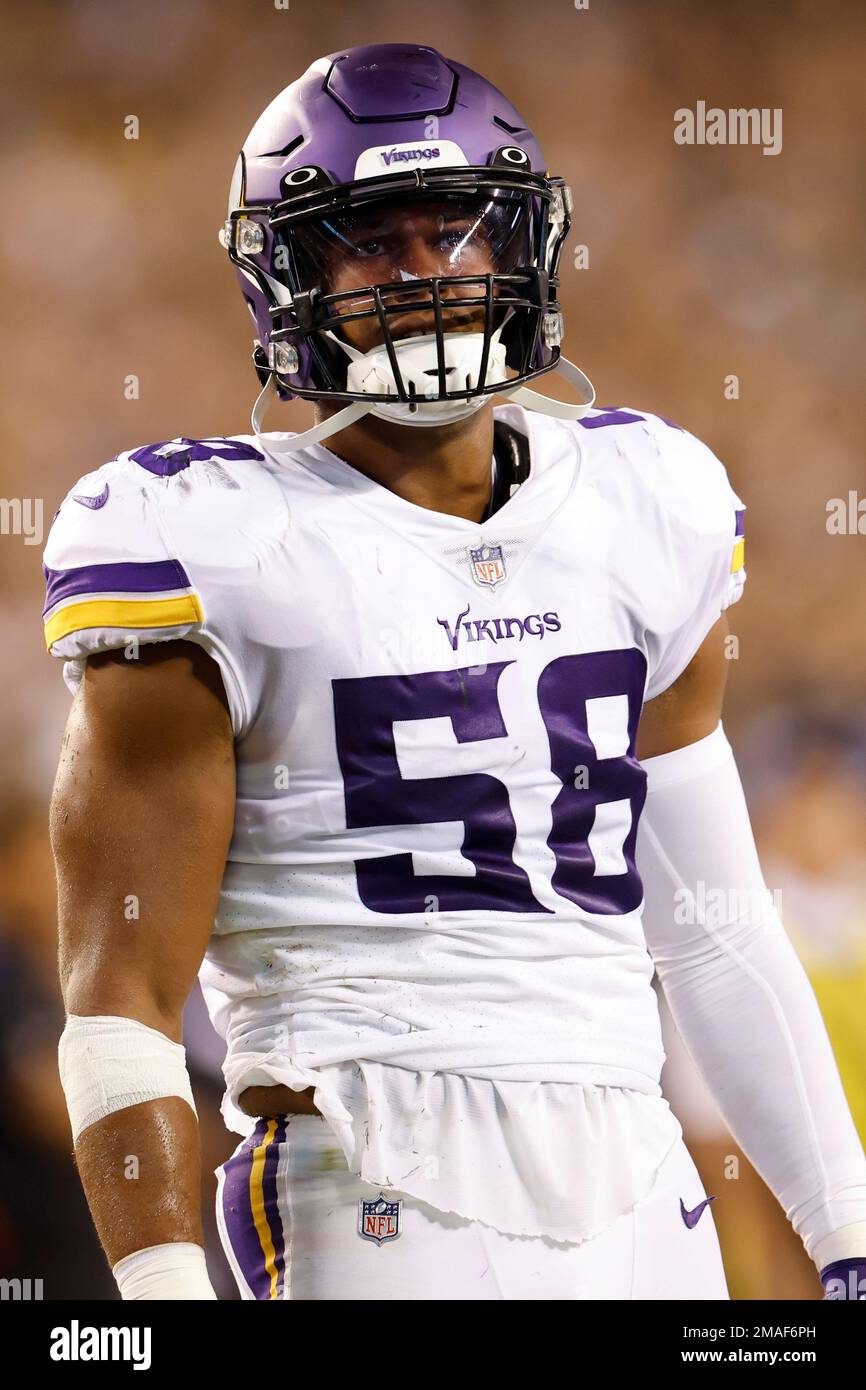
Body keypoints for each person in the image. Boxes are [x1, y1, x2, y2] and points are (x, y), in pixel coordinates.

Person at [45, 42, 866, 1301]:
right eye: (373, 242)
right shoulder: (204, 542)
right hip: (373, 1171)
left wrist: (843, 1235)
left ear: (522, 250)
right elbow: (120, 1005)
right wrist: (158, 1307)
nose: (427, 275)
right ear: (291, 278)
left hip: (640, 1177)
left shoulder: (650, 499)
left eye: (458, 231)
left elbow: (711, 935)